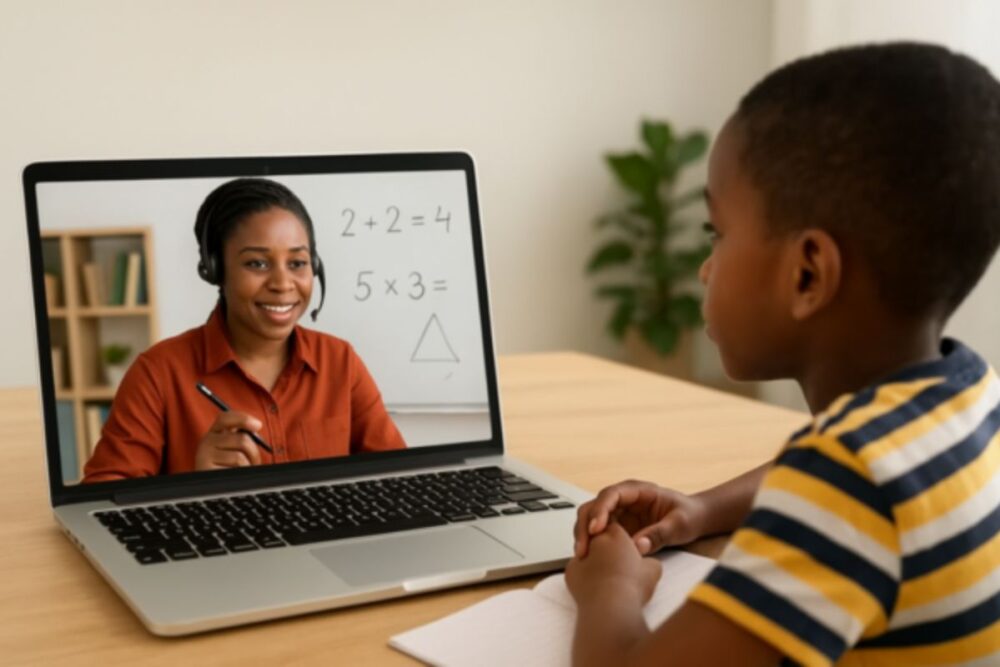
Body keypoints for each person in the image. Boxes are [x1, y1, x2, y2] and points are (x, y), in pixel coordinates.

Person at [566, 43, 1000, 666]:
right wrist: (704, 510)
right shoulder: (968, 394)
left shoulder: (847, 484)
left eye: (718, 233)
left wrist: (610, 587)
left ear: (806, 275)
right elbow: (844, 482)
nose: (705, 266)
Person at [83, 178, 405, 482]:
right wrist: (194, 486)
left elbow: (399, 476)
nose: (282, 284)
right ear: (215, 270)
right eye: (257, 264)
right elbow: (99, 501)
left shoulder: (340, 361)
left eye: (297, 263)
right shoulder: (158, 373)